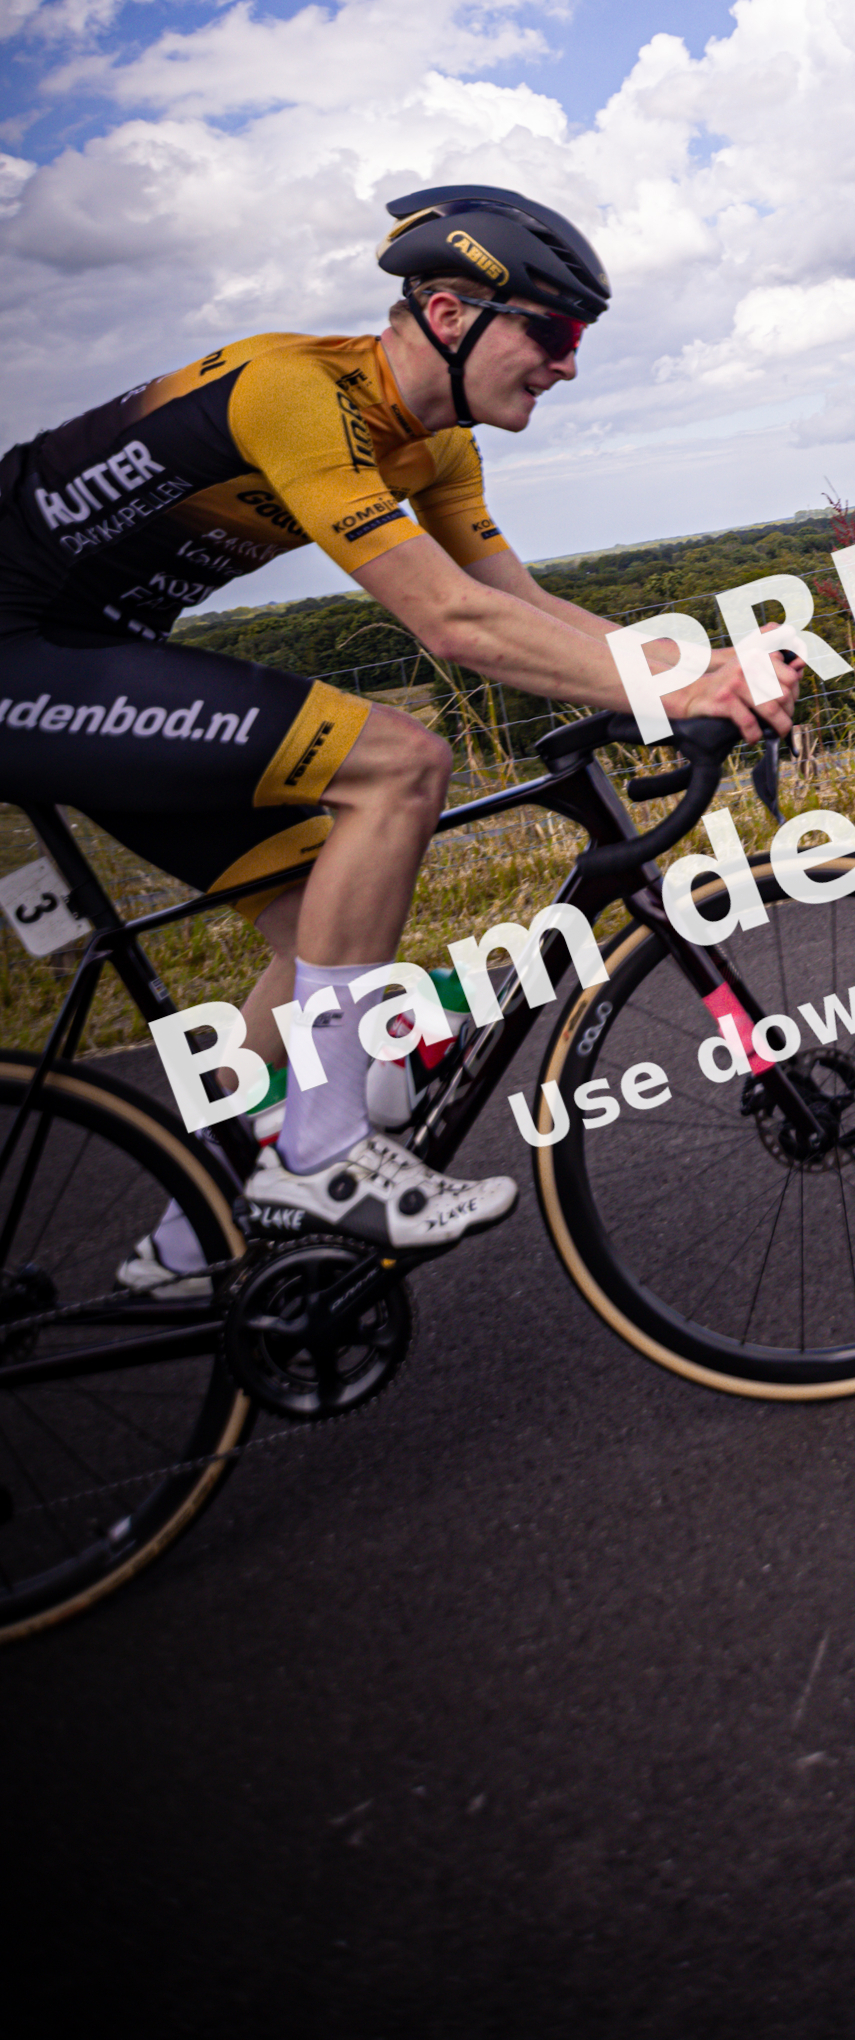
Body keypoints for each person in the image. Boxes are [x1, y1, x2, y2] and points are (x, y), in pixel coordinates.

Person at [0, 183, 800, 1284]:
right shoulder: (293, 393)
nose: (569, 364)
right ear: (447, 313)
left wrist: (695, 669)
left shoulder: (436, 448)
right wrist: (682, 690)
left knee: (319, 936)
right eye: (554, 331)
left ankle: (203, 1228)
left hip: (86, 655)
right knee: (398, 760)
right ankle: (325, 1150)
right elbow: (452, 622)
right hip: (22, 653)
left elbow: (519, 604)